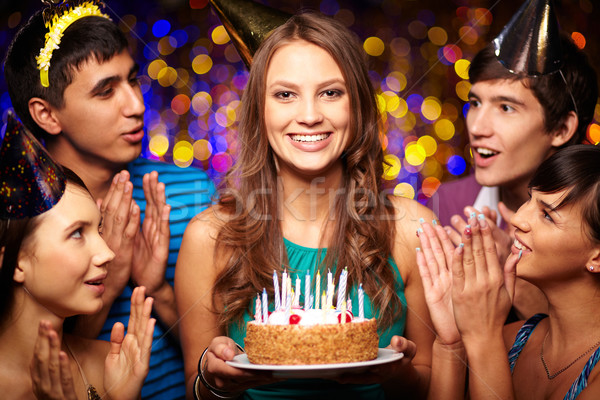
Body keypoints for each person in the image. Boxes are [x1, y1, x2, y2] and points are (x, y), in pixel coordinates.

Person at [175, 11, 435, 400]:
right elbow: (197, 393)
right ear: (259, 112)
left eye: (331, 92)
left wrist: (393, 374)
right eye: (285, 94)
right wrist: (216, 380)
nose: (310, 116)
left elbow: (429, 384)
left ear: (357, 105)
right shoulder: (209, 237)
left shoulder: (412, 228)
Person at [3, 1, 215, 398]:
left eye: (132, 81)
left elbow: (223, 351)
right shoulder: (19, 214)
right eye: (105, 92)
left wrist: (156, 289)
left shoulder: (192, 193)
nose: (136, 106)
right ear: (47, 114)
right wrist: (113, 280)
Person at [426, 0, 598, 320]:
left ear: (561, 129)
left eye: (506, 108)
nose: (477, 127)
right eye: (475, 103)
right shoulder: (449, 205)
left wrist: (520, 282)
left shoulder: (591, 224)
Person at [417, 144, 600, 399]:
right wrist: (452, 343)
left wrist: (483, 336)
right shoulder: (511, 339)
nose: (517, 219)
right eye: (529, 199)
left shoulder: (493, 340)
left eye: (547, 215)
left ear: (597, 256)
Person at [0, 114, 155, 399]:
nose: (108, 253)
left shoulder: (108, 366)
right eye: (76, 234)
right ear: (14, 262)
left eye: (98, 229)